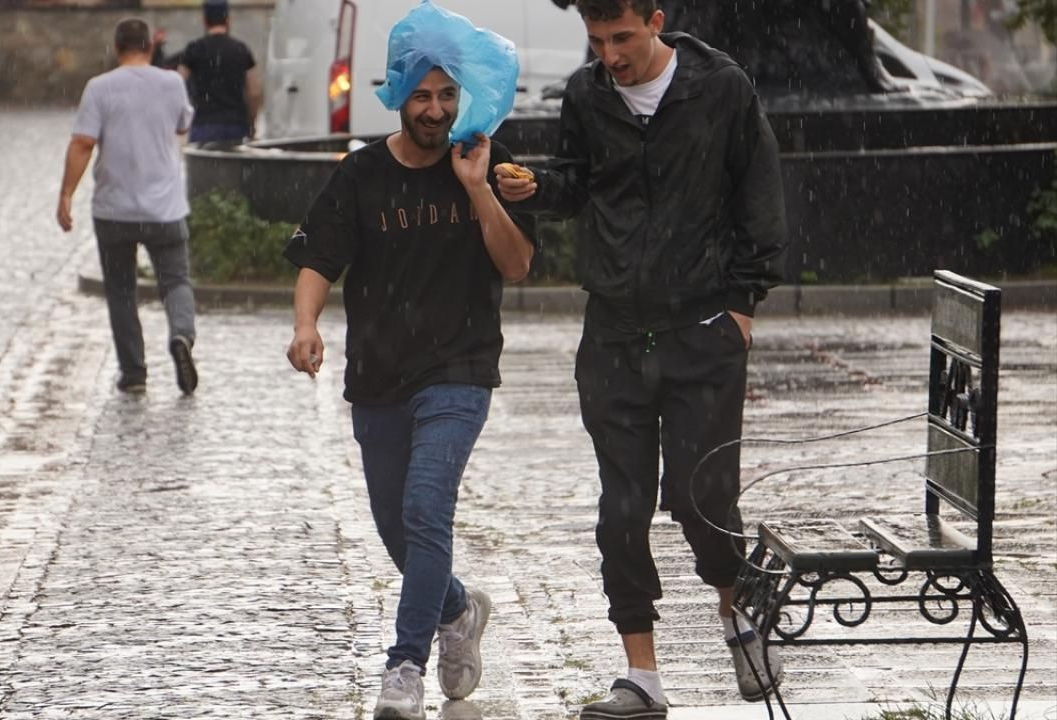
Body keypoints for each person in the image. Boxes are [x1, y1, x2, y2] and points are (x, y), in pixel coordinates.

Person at [495, 0, 787, 717]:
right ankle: (641, 676)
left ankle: (739, 613)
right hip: (614, 334)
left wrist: (741, 306)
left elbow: (759, 193)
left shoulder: (721, 87)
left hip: (702, 329)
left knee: (700, 497)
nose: (611, 56)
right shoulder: (587, 92)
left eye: (622, 37)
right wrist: (537, 189)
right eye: (597, 40)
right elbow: (578, 183)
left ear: (656, 20)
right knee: (622, 510)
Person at [284, 61, 536, 720]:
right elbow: (318, 259)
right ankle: (456, 608)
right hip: (378, 376)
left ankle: (405, 666)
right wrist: (306, 324)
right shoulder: (361, 174)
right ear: (399, 98)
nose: (434, 109)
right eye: (421, 96)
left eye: (447, 95)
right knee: (397, 528)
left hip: (460, 369)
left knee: (426, 510)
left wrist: (478, 188)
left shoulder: (485, 160)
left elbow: (517, 264)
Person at [56, 17, 199, 396]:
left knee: (121, 290)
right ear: (149, 46)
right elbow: (182, 126)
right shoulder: (172, 83)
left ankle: (134, 373)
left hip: (114, 208)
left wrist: (66, 193)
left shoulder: (99, 87)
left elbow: (83, 143)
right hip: (165, 208)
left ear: (117, 48)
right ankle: (181, 335)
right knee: (176, 281)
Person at [177, 0, 261, 146]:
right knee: (235, 161)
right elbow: (254, 92)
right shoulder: (241, 49)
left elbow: (178, 84)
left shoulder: (194, 49)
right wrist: (251, 123)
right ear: (228, 20)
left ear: (205, 21)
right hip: (236, 125)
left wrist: (182, 120)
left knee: (203, 161)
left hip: (203, 125)